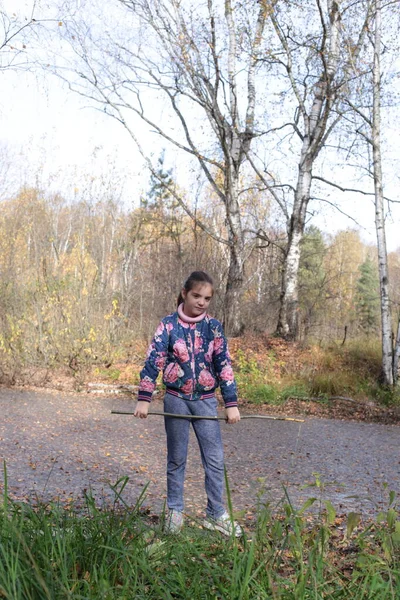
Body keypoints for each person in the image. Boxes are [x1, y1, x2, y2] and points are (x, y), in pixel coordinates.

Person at [134, 271, 242, 536]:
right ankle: (175, 512)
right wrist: (144, 398)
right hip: (176, 400)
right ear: (184, 293)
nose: (202, 302)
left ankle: (216, 514)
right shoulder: (168, 325)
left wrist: (231, 402)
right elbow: (153, 361)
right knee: (177, 458)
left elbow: (224, 365)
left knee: (214, 459)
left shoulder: (214, 327)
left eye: (207, 298)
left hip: (205, 401)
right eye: (196, 295)